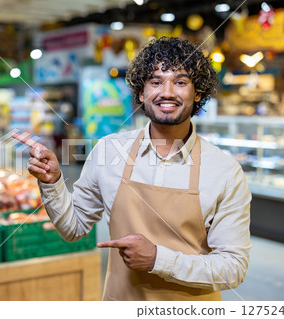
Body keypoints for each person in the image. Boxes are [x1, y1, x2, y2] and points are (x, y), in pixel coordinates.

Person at [13, 37, 251, 301]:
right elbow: (74, 228)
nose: (167, 92)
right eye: (156, 81)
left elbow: (233, 268)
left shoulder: (224, 171)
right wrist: (53, 182)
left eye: (181, 82)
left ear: (197, 93)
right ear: (141, 92)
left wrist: (158, 259)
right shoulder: (108, 152)